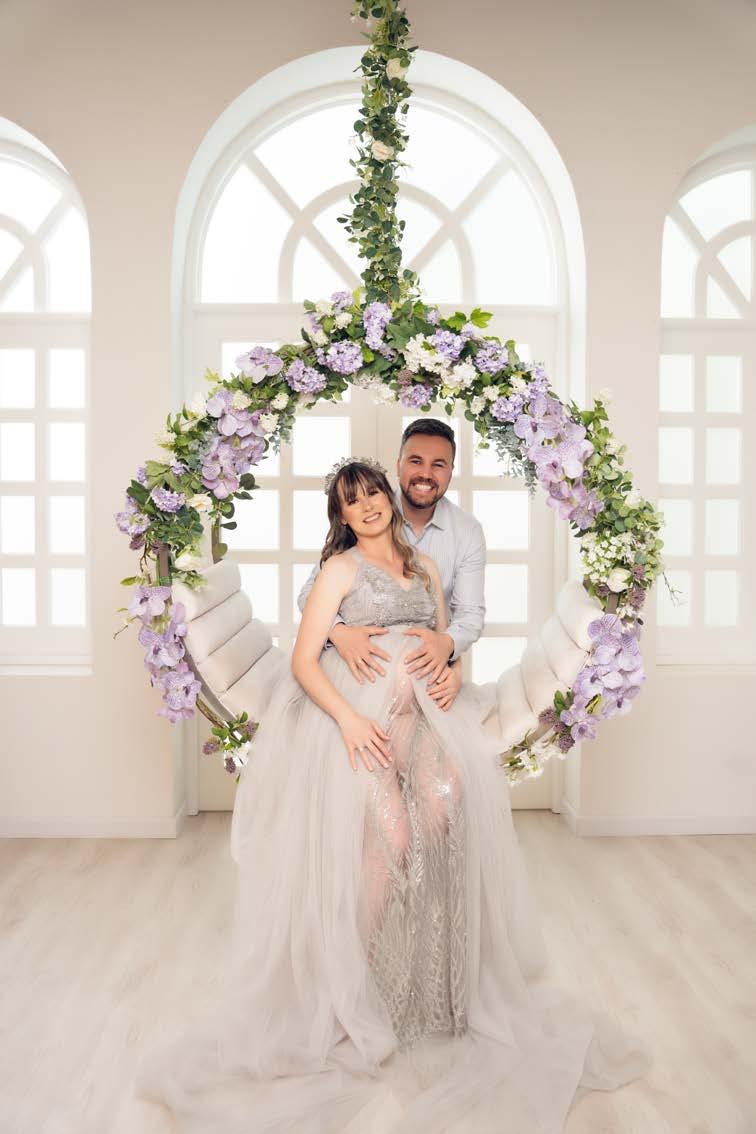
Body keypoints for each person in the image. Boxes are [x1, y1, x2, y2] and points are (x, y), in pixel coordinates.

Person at [135, 458, 651, 1133]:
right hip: (359, 722)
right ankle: (350, 983)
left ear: (387, 497)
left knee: (445, 805)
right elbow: (303, 660)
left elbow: (443, 646)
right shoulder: (340, 570)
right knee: (393, 836)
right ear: (343, 517)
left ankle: (424, 977)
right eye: (353, 501)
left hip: (425, 720)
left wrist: (449, 667)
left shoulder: (427, 568)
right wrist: (350, 719)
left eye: (374, 492)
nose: (369, 505)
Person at [297, 418, 486, 697]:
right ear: (398, 465)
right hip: (364, 686)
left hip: (427, 684)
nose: (425, 474)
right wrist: (338, 632)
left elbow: (466, 616)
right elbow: (310, 595)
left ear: (450, 471)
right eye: (415, 461)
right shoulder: (368, 521)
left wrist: (453, 666)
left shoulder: (464, 533)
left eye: (438, 464)